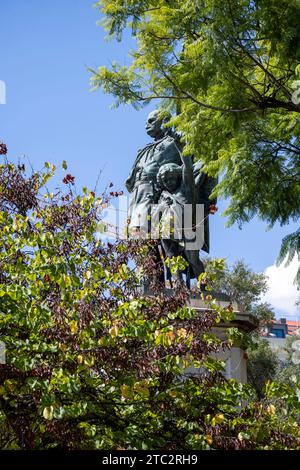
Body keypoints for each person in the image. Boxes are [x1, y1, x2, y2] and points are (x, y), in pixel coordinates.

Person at [125, 110, 182, 237]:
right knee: (134, 232)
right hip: (136, 192)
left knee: (140, 231)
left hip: (154, 190)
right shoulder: (145, 148)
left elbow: (186, 161)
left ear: (164, 121)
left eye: (151, 121)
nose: (147, 124)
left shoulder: (174, 141)